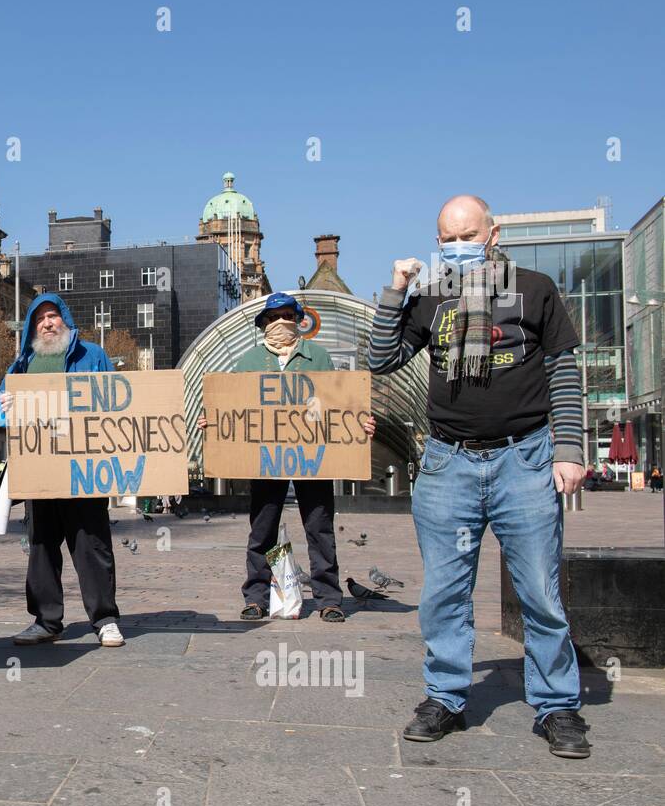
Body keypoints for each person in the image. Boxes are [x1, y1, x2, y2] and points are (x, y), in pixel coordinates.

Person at [369, 194, 590, 759]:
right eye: (448, 237)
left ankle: (557, 705)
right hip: (449, 463)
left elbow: (564, 369)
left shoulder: (535, 288)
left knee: (539, 590)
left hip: (527, 458)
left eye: (469, 234)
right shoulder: (429, 299)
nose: (459, 245)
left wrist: (569, 447)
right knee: (444, 592)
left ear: (492, 234)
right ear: (437, 242)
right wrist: (395, 291)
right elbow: (382, 360)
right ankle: (445, 696)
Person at [195, 292, 376, 623]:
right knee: (262, 528)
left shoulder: (318, 358)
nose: (281, 322)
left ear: (298, 321)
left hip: (313, 458)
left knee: (319, 526)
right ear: (263, 323)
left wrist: (358, 421)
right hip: (265, 459)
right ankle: (256, 597)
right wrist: (214, 420)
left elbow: (339, 404)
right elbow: (232, 407)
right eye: (273, 317)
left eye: (288, 316)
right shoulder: (248, 361)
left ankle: (328, 598)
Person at [0, 295, 125, 647]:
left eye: (53, 316)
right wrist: (4, 407)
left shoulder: (93, 356)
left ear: (65, 321)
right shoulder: (22, 364)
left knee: (91, 545)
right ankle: (46, 620)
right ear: (32, 327)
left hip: (83, 471)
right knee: (41, 546)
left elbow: (117, 403)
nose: (48, 323)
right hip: (39, 469)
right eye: (40, 319)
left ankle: (105, 619)